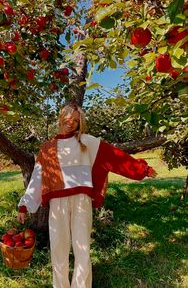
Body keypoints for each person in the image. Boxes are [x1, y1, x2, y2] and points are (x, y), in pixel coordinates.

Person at [17, 103, 157, 288]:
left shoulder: (87, 142)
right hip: (57, 202)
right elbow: (37, 178)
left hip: (81, 201)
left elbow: (115, 157)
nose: (71, 122)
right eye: (69, 117)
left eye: (76, 120)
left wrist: (142, 169)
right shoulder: (47, 148)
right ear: (61, 117)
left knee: (82, 247)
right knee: (58, 248)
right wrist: (24, 205)